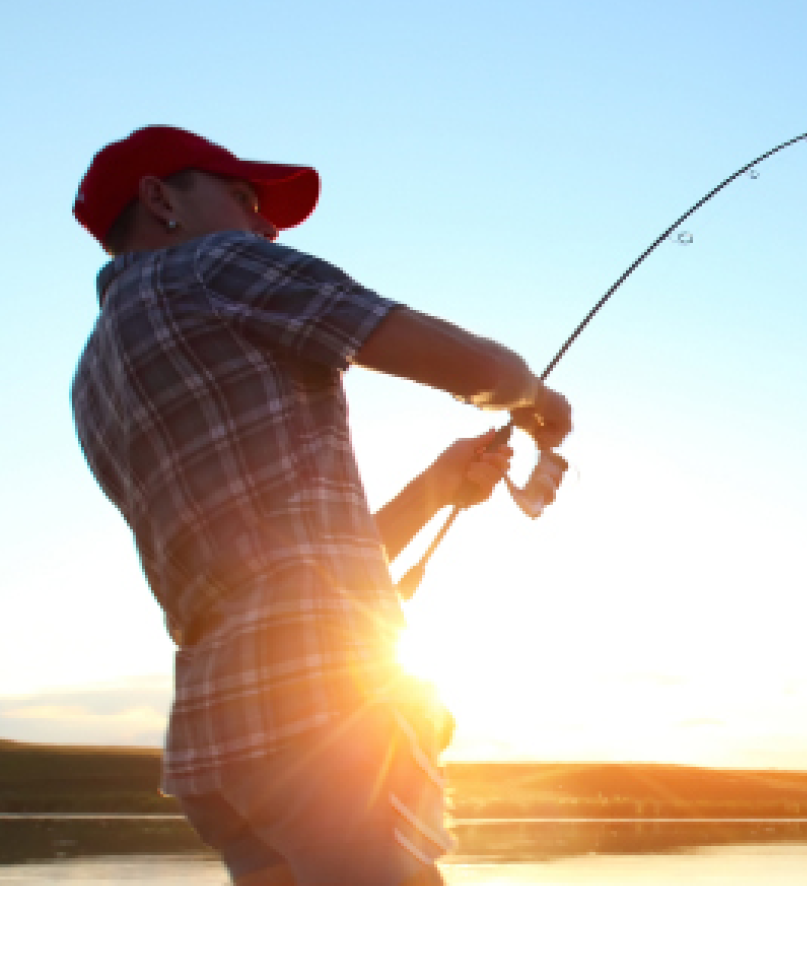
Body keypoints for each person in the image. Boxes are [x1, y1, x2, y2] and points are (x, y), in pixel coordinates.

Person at [69, 125, 573, 885]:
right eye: (242, 198)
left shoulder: (90, 378)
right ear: (158, 197)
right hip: (319, 715)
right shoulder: (215, 265)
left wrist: (433, 489)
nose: (263, 225)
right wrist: (535, 399)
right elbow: (484, 370)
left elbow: (280, 567)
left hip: (217, 744)